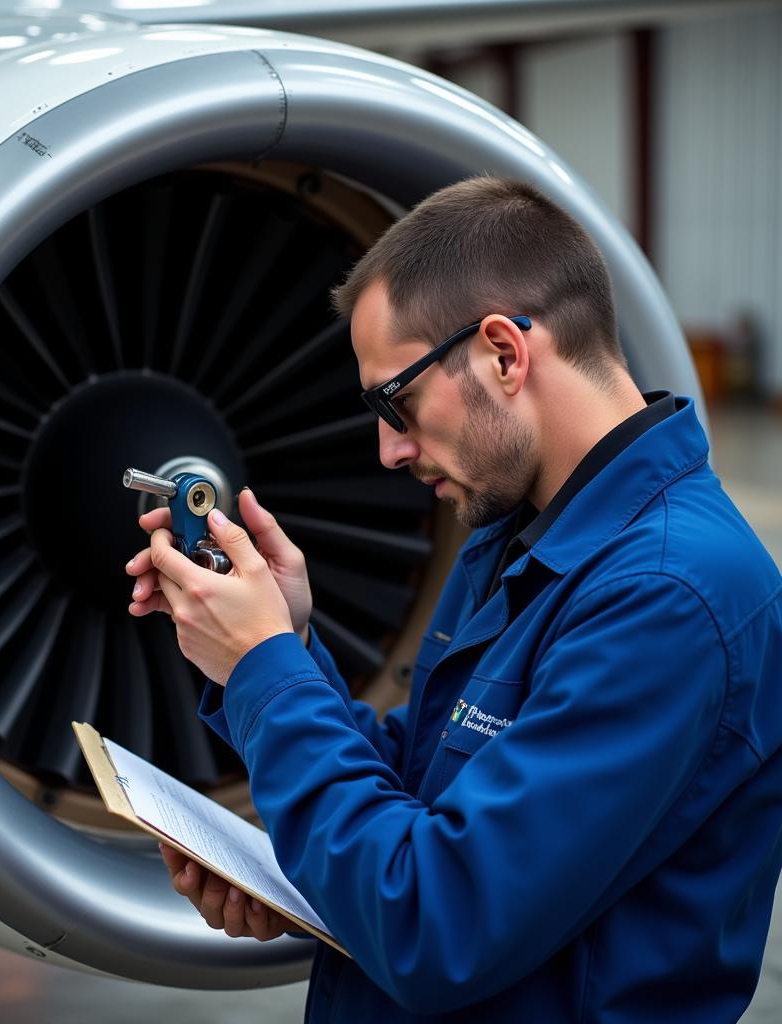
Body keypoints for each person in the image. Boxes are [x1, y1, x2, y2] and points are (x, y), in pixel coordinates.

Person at [125, 176, 782, 1022]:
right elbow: (428, 790)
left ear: (505, 352)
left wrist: (264, 673)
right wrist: (291, 645)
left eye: (396, 400)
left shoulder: (669, 597)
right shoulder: (523, 534)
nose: (389, 449)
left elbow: (434, 925)